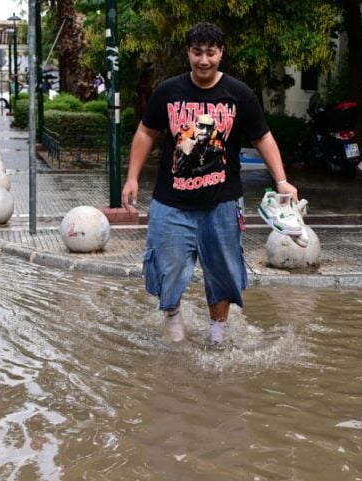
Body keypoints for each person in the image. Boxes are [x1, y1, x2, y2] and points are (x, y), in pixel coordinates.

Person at [121, 22, 298, 344]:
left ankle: (218, 330)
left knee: (222, 270)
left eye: (211, 53)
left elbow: (262, 137)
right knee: (166, 267)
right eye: (197, 53)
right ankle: (172, 316)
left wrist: (282, 180)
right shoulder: (169, 91)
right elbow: (147, 131)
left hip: (222, 202)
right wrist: (132, 178)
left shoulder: (239, 94)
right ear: (188, 52)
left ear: (221, 53)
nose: (204, 61)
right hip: (170, 202)